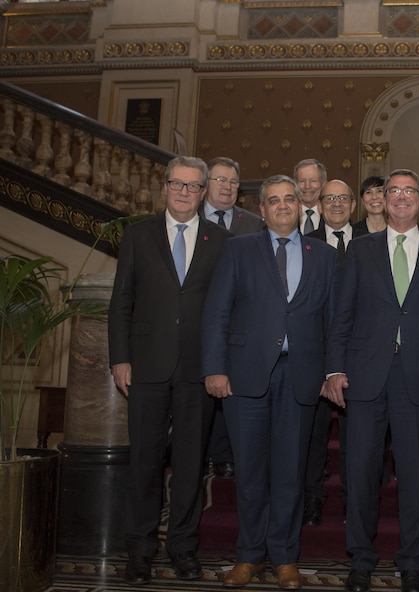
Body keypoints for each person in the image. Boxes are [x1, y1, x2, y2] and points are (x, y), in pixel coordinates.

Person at [323, 169, 419, 592]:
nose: (401, 198)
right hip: (365, 377)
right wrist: (334, 368)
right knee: (361, 472)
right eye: (393, 191)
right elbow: (341, 314)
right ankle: (361, 559)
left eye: (409, 192)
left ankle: (413, 562)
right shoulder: (361, 250)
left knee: (416, 477)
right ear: (382, 199)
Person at [201, 174, 337, 589]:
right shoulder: (238, 249)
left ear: (300, 205)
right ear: (261, 209)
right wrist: (214, 367)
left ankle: (284, 557)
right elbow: (217, 312)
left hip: (301, 377)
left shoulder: (325, 255)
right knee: (250, 471)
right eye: (274, 200)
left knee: (290, 473)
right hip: (244, 376)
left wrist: (330, 372)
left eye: (289, 199)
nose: (282, 205)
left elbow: (335, 323)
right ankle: (248, 556)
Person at [108, 155, 232, 586]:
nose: (184, 192)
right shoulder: (137, 235)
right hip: (145, 366)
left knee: (190, 465)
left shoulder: (222, 239)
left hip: (199, 370)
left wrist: (220, 363)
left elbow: (226, 309)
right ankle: (139, 551)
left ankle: (182, 548)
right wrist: (119, 358)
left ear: (203, 193)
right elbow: (121, 302)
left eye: (193, 186)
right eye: (177, 184)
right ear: (165, 187)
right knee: (143, 463)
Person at [304, 179, 369, 526]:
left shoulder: (372, 243)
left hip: (359, 353)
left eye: (343, 198)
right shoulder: (305, 243)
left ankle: (351, 499)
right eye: (330, 199)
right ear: (319, 202)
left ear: (353, 205)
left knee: (354, 434)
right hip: (314, 353)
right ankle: (312, 497)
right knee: (313, 434)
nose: (337, 204)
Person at [201, 156, 264, 480]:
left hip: (240, 324)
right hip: (196, 321)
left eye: (233, 182)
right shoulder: (190, 218)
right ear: (205, 184)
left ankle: (225, 455)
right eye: (220, 180)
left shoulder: (253, 223)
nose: (227, 187)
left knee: (230, 391)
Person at [295, 159, 327, 234]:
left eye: (313, 181)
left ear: (323, 184)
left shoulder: (331, 214)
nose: (307, 186)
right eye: (302, 181)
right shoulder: (287, 213)